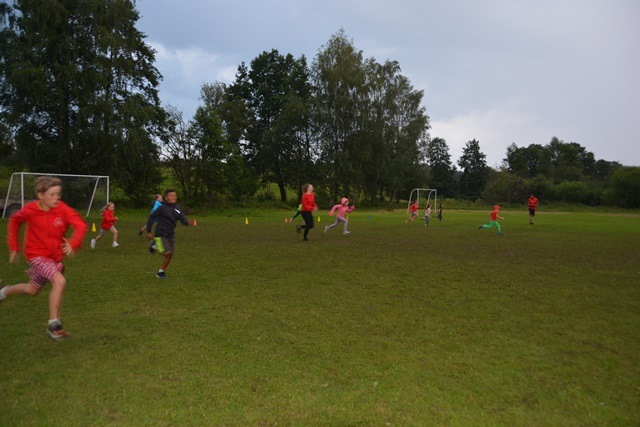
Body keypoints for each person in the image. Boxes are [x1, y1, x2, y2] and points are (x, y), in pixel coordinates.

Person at [1, 176, 88, 339]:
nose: (56, 198)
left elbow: (81, 225)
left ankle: (3, 292)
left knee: (32, 289)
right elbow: (14, 221)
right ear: (41, 195)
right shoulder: (30, 210)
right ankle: (54, 325)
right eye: (52, 195)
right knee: (59, 281)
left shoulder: (62, 209)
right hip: (36, 255)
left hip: (53, 258)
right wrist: (14, 247)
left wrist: (73, 242)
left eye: (58, 194)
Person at [146, 189, 194, 279]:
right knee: (167, 252)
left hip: (170, 235)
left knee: (170, 254)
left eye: (175, 196)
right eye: (171, 196)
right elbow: (151, 216)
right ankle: (154, 246)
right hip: (160, 234)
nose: (174, 197)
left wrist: (187, 222)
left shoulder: (177, 208)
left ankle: (160, 272)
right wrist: (148, 231)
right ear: (166, 198)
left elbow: (182, 219)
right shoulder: (162, 208)